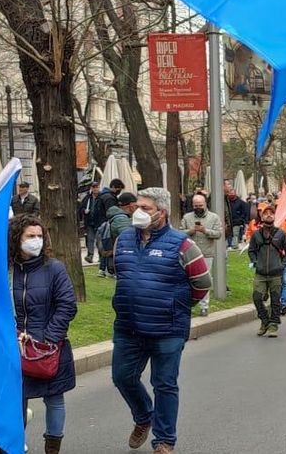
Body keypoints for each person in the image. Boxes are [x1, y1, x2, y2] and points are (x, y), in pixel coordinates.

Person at [110, 187, 212, 454]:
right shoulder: (123, 240)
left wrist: (177, 305)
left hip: (168, 329)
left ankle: (164, 440)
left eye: (146, 208)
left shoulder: (183, 245)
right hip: (129, 327)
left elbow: (202, 283)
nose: (138, 212)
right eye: (137, 207)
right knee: (122, 377)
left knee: (164, 384)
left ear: (162, 213)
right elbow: (121, 273)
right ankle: (144, 416)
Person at [10, 215, 77, 454]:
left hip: (49, 346)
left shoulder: (54, 268)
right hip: (14, 346)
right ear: (17, 238)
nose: (36, 241)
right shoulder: (8, 270)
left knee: (54, 398)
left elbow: (67, 305)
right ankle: (15, 445)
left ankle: (53, 446)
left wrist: (49, 339)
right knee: (16, 400)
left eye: (39, 236)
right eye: (30, 236)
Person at [248, 204, 286, 337]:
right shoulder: (256, 235)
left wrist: (282, 265)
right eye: (266, 213)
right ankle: (264, 320)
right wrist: (256, 262)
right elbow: (251, 251)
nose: (268, 215)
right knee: (257, 297)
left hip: (276, 273)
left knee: (275, 300)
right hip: (260, 273)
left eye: (271, 213)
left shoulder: (281, 234)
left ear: (274, 216)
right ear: (262, 217)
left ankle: (273, 324)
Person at [179, 194, 223, 317]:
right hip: (188, 254)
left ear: (205, 204)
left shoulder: (214, 217)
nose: (198, 207)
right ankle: (187, 304)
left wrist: (205, 231)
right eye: (195, 205)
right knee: (186, 279)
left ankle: (204, 306)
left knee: (204, 280)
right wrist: (190, 231)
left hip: (206, 253)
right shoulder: (187, 217)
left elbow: (218, 234)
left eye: (200, 205)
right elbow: (180, 232)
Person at [99, 192, 137, 278]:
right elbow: (128, 238)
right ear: (131, 205)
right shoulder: (121, 219)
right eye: (137, 206)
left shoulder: (117, 217)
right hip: (125, 258)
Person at [78, 183, 104, 264]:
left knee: (100, 241)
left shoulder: (102, 198)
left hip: (99, 222)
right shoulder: (87, 198)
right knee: (90, 239)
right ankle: (90, 255)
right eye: (94, 187)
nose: (95, 189)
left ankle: (101, 256)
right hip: (89, 222)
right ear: (91, 188)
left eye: (97, 187)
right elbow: (81, 208)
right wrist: (84, 211)